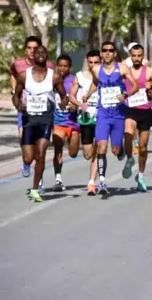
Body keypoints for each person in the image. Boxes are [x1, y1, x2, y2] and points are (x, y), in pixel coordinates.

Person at [12, 46, 68, 202]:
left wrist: (63, 103)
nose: (41, 55)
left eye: (44, 53)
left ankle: (35, 189)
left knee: (41, 153)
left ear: (47, 55)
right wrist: (18, 106)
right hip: (29, 119)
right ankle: (26, 164)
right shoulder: (23, 76)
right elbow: (16, 96)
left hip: (45, 118)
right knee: (29, 158)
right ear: (33, 56)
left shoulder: (55, 76)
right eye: (38, 53)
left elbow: (64, 96)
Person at [82, 41, 138, 194]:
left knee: (115, 149)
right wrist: (88, 94)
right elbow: (95, 83)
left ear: (114, 53)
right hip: (103, 113)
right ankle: (102, 182)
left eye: (110, 50)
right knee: (101, 147)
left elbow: (135, 86)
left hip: (118, 113)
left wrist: (125, 95)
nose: (107, 53)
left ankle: (120, 151)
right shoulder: (96, 69)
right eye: (104, 50)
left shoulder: (123, 68)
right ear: (101, 53)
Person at [10, 36, 54, 178]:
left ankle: (39, 178)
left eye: (34, 48)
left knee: (40, 147)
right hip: (25, 108)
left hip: (43, 111)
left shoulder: (49, 66)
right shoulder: (18, 64)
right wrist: (14, 91)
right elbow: (13, 74)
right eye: (29, 48)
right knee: (24, 137)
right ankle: (26, 162)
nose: (31, 51)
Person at [122, 44, 152, 191]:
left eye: (139, 55)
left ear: (143, 56)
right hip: (130, 108)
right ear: (130, 55)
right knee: (128, 134)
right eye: (134, 55)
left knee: (143, 148)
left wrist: (151, 87)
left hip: (145, 110)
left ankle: (140, 175)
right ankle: (129, 159)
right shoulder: (125, 71)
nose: (136, 58)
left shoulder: (148, 71)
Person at [69, 50, 101, 195]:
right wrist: (79, 104)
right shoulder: (79, 77)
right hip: (85, 118)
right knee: (88, 153)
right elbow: (71, 95)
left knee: (101, 146)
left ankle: (91, 182)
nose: (93, 65)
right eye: (91, 62)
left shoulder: (105, 76)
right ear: (87, 62)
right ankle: (95, 152)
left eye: (96, 62)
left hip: (102, 116)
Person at [51, 54, 80, 191]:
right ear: (57, 66)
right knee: (58, 149)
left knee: (73, 153)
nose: (62, 68)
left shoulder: (74, 81)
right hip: (58, 122)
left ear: (70, 67)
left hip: (73, 123)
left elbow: (77, 102)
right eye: (60, 65)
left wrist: (74, 106)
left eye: (65, 66)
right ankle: (58, 179)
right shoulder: (51, 80)